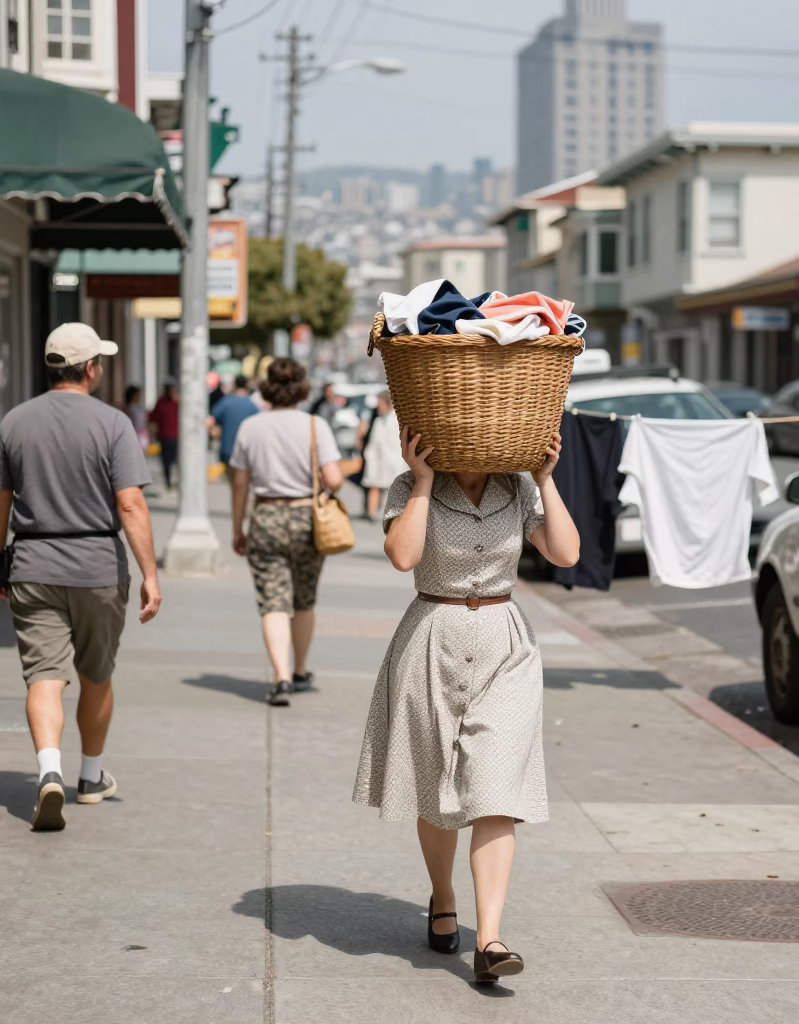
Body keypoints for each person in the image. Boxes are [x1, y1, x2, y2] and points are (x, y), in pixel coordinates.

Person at [353, 428, 579, 983]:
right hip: (431, 640)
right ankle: (443, 895)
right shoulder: (408, 484)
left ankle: (492, 939)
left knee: (496, 789)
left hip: (506, 648)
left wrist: (546, 480)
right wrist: (425, 482)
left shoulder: (518, 487)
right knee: (435, 786)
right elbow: (403, 556)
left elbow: (567, 553)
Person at [0, 322, 162, 832]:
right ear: (90, 368)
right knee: (96, 676)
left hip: (33, 566)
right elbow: (130, 503)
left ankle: (49, 771)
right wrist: (150, 573)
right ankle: (90, 776)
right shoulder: (113, 424)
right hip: (98, 568)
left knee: (44, 676)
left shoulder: (15, 421)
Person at [228, 358, 345, 706]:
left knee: (273, 602)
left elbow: (240, 485)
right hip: (306, 518)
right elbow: (336, 478)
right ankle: (300, 670)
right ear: (300, 388)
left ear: (267, 386)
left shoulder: (250, 426)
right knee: (304, 598)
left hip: (265, 517)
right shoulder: (314, 425)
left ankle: (280, 679)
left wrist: (238, 528)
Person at [359, 392, 407, 522]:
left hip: (392, 461)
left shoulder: (396, 420)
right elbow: (374, 442)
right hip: (377, 460)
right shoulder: (378, 420)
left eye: (380, 404)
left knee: (392, 488)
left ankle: (389, 514)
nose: (378, 407)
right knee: (374, 485)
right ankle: (373, 513)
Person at [208, 374, 259, 480]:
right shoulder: (253, 406)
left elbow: (211, 421)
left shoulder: (226, 402)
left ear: (235, 385)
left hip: (228, 451)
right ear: (247, 386)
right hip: (247, 452)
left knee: (233, 486)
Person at [149, 380, 179, 491]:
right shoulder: (161, 402)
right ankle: (168, 482)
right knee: (166, 462)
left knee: (176, 461)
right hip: (165, 436)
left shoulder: (177, 403)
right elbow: (153, 417)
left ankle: (176, 482)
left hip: (177, 437)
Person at [123, 384, 149, 453]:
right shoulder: (128, 408)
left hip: (142, 433)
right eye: (137, 395)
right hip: (132, 434)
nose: (139, 397)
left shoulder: (140, 407)